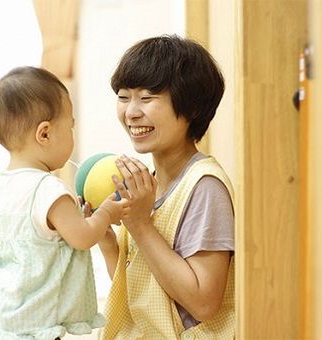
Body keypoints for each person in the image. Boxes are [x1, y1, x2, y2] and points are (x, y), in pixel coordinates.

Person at [0, 66, 129, 339]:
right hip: (36, 323)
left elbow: (46, 233)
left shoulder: (5, 183)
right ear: (44, 134)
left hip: (6, 313)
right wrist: (104, 213)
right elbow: (81, 237)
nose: (72, 136)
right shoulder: (49, 189)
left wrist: (82, 217)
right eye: (69, 127)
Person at [97, 35, 235, 339]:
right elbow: (140, 293)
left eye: (147, 98)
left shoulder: (205, 186)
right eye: (123, 96)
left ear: (194, 108)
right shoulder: (147, 182)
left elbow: (203, 303)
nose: (131, 112)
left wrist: (140, 226)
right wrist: (109, 243)